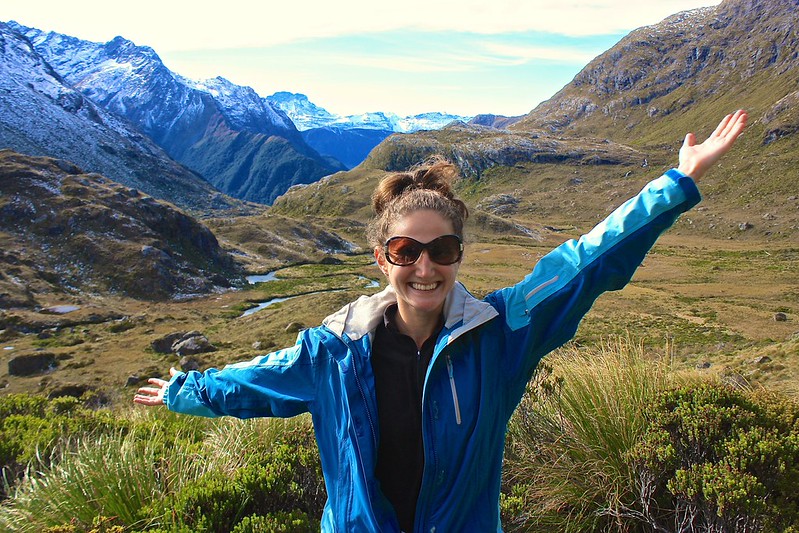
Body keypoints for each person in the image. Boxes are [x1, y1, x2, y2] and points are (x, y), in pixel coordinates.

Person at [135, 110, 748, 532]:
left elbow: (584, 262)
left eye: (442, 251)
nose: (424, 267)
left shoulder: (502, 333)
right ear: (383, 259)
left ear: (459, 254)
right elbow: (258, 381)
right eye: (406, 252)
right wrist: (188, 390)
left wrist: (677, 182)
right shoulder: (333, 352)